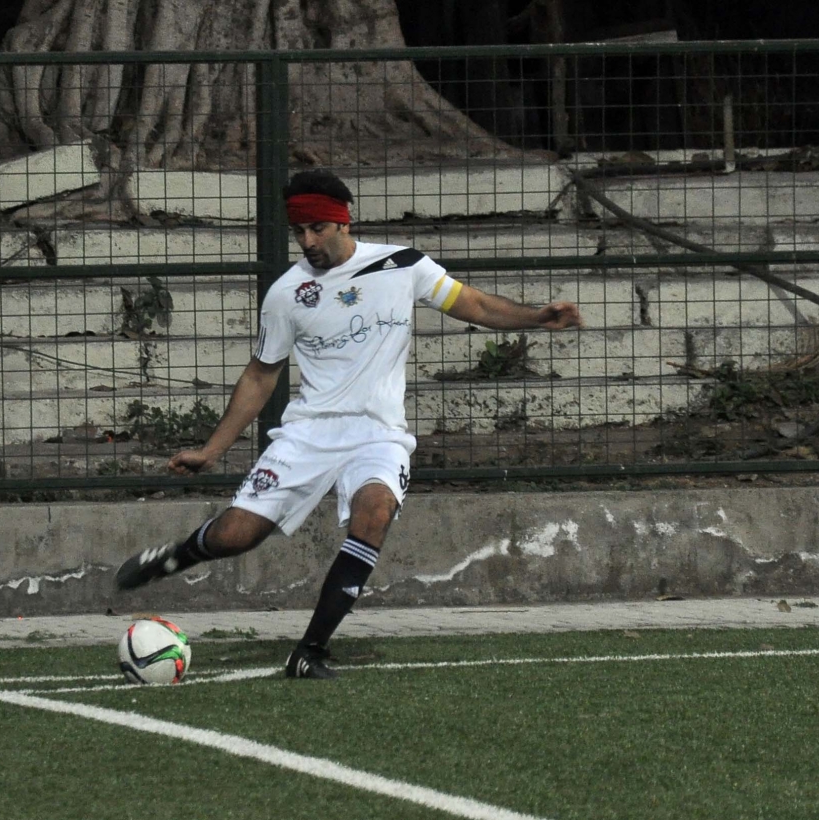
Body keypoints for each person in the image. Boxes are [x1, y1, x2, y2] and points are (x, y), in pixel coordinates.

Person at [115, 169, 583, 679]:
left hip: (378, 434)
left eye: (317, 228)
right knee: (237, 535)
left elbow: (471, 303)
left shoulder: (402, 264)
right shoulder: (287, 293)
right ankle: (179, 555)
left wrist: (537, 317)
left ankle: (309, 651)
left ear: (344, 221)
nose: (307, 240)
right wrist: (211, 450)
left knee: (375, 511)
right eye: (299, 231)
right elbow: (259, 375)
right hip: (309, 432)